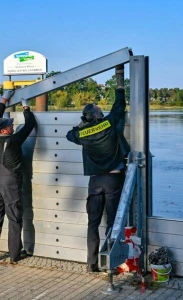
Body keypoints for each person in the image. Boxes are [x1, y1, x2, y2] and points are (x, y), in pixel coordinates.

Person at [66, 65, 130, 272]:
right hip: (113, 180)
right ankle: (111, 262)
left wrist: (83, 122)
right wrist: (119, 84)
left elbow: (70, 134)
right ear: (99, 116)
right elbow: (119, 105)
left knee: (92, 223)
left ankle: (91, 263)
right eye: (100, 112)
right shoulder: (109, 124)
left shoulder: (83, 134)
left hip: (95, 182)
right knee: (113, 222)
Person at [0, 91, 36, 264]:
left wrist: (3, 101)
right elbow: (30, 124)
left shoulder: (7, 137)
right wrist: (26, 108)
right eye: (9, 125)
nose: (12, 126)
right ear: (4, 130)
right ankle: (14, 254)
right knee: (14, 217)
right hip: (10, 183)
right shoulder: (13, 141)